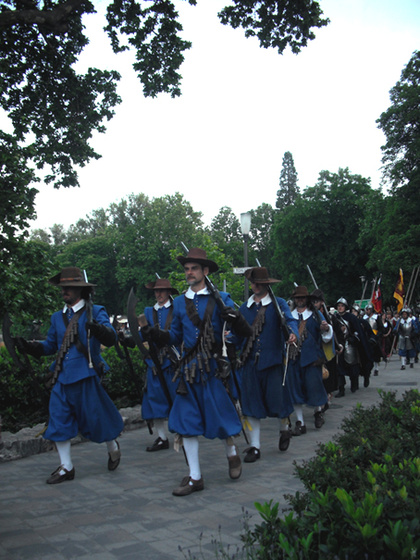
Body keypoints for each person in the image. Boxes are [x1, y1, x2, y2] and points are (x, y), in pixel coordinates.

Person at [145, 248, 252, 496]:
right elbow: (175, 337)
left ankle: (232, 453)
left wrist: (235, 319)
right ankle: (195, 478)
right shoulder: (179, 303)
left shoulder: (222, 297)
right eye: (186, 269)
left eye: (194, 268)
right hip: (188, 370)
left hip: (214, 369)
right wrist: (158, 335)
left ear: (205, 271)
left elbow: (245, 333)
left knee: (222, 419)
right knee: (185, 423)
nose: (189, 272)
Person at [16, 267, 123, 484]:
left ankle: (112, 446)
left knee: (97, 420)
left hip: (85, 374)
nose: (64, 290)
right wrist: (30, 346)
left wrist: (101, 330)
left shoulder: (96, 311)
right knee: (59, 420)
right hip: (61, 377)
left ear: (81, 290)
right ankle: (67, 467)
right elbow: (50, 346)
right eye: (63, 287)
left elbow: (111, 338)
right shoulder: (57, 317)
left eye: (69, 287)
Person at [229, 267, 298, 462]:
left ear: (266, 285)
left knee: (280, 403)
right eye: (253, 282)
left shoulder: (279, 304)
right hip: (250, 363)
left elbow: (290, 321)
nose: (254, 286)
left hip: (273, 361)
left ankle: (285, 429)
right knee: (251, 406)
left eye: (258, 283)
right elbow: (239, 333)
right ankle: (255, 447)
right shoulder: (244, 308)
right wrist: (228, 338)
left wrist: (293, 334)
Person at [139, 278, 179, 452]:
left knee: (177, 398)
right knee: (154, 400)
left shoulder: (177, 309)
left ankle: (181, 432)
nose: (159, 294)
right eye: (156, 291)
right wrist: (130, 339)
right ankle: (162, 438)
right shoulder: (148, 312)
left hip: (173, 361)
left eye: (162, 291)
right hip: (155, 362)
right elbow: (142, 335)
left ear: (169, 292)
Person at [287, 286, 333, 434]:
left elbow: (326, 335)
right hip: (294, 359)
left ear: (306, 299)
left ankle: (318, 411)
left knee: (314, 387)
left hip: (312, 358)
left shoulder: (315, 315)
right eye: (297, 298)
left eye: (302, 297)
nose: (300, 300)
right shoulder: (289, 316)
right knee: (295, 390)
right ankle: (300, 422)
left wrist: (325, 328)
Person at [334, 298, 373, 397]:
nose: (340, 307)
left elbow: (357, 331)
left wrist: (353, 338)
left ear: (345, 307)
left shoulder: (351, 317)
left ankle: (354, 384)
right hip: (339, 344)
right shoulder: (335, 317)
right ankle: (341, 388)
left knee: (353, 367)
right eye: (338, 306)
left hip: (349, 344)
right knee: (339, 367)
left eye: (342, 306)